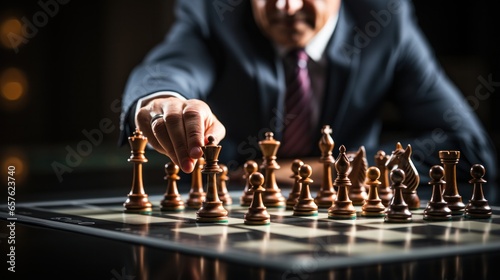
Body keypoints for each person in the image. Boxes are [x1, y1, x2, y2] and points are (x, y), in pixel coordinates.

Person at [119, 0, 497, 185]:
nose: (286, 6)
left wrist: (328, 173)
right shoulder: (215, 13)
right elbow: (167, 69)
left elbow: (471, 146)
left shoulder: (385, 20)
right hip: (233, 216)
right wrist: (161, 101)